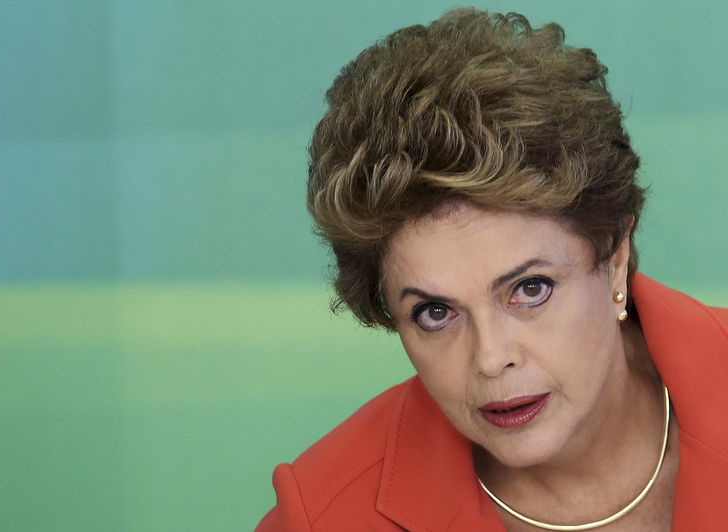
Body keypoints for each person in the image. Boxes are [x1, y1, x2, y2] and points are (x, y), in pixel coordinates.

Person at [257, 8, 728, 531]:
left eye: (530, 289)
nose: (490, 358)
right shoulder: (325, 516)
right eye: (435, 312)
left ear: (615, 260)